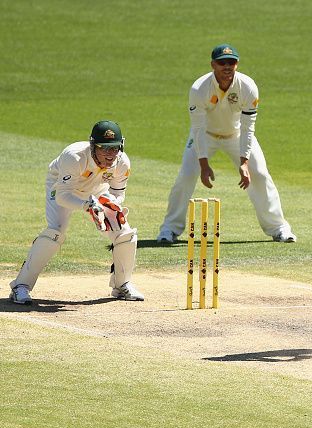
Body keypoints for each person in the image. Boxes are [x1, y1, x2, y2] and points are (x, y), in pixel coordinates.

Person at [156, 43, 296, 244]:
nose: (227, 67)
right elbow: (197, 128)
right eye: (222, 63)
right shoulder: (199, 88)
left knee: (260, 175)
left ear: (237, 64)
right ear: (213, 64)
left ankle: (279, 228)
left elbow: (249, 127)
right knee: (187, 175)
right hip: (205, 135)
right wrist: (203, 165)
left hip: (236, 135)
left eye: (232, 62)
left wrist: (244, 161)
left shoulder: (248, 87)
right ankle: (169, 230)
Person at [8, 120, 144, 305]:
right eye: (103, 148)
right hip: (63, 187)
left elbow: (118, 193)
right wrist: (88, 205)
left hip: (97, 189)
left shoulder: (122, 162)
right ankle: (20, 286)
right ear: (92, 146)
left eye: (114, 148)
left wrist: (110, 204)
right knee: (56, 230)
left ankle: (122, 285)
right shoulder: (74, 157)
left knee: (124, 231)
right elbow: (62, 197)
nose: (110, 154)